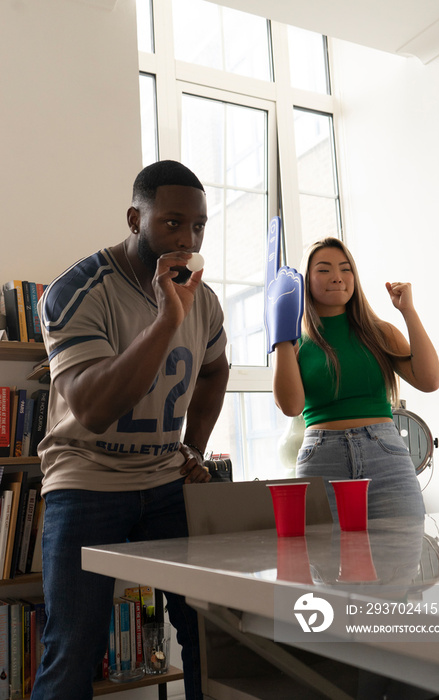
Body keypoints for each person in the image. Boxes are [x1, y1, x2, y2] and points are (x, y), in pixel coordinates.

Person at [32, 160, 229, 700]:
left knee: (208, 633)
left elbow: (215, 369)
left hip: (166, 482)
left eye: (198, 226)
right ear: (134, 218)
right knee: (72, 647)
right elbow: (94, 408)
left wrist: (195, 446)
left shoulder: (202, 298)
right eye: (171, 223)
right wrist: (167, 318)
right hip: (87, 483)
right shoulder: (76, 289)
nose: (187, 239)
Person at [266, 230, 439, 521]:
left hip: (386, 456)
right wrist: (282, 334)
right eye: (324, 269)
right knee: (327, 561)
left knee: (401, 558)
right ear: (305, 281)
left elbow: (430, 380)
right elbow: (291, 407)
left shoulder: (379, 332)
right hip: (322, 459)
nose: (337, 277)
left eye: (345, 269)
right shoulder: (295, 344)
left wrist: (408, 311)